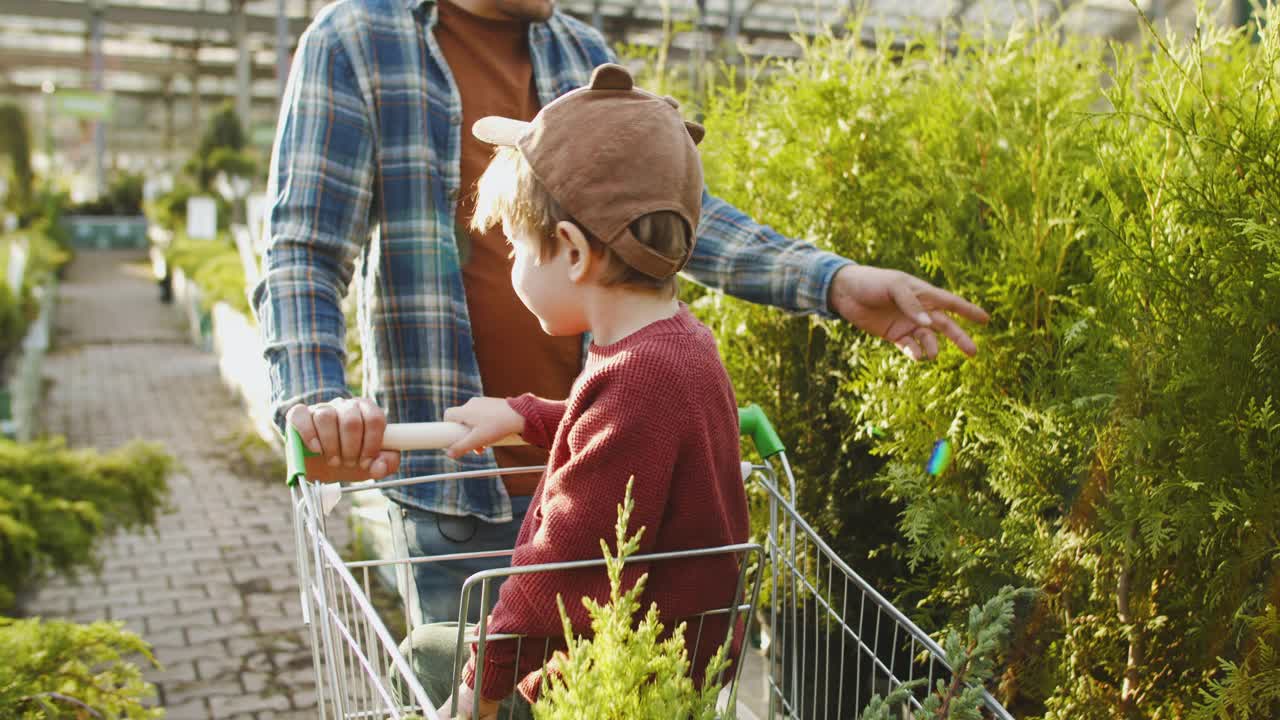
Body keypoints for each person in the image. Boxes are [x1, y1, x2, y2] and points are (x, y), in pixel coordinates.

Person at [254, 0, 989, 628]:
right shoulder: (357, 41)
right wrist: (317, 403)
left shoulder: (580, 51)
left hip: (618, 490)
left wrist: (831, 281)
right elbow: (305, 252)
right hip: (456, 491)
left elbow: (661, 212)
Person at [398, 62, 750, 718]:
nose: (511, 270)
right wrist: (522, 415)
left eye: (514, 251)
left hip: (609, 684)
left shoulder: (639, 375)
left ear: (571, 252)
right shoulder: (673, 344)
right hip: (661, 662)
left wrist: (477, 692)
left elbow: (549, 578)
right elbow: (622, 439)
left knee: (424, 654)